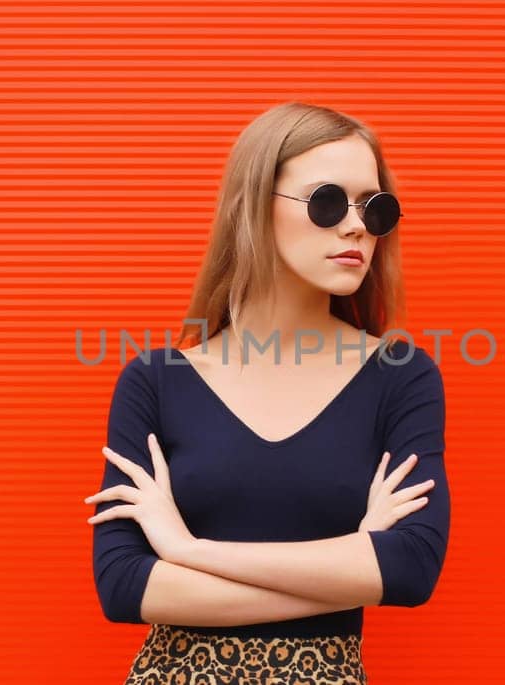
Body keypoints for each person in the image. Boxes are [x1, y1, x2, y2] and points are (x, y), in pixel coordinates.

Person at [84, 101, 450, 683]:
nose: (356, 225)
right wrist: (349, 561)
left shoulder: (399, 377)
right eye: (328, 201)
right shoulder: (155, 380)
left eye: (374, 208)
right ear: (252, 207)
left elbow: (408, 570)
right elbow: (126, 586)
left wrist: (186, 551)